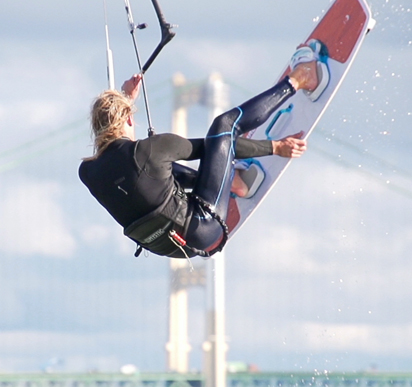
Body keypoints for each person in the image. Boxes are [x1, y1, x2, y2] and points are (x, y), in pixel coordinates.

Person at [79, 40, 329, 259]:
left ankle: (235, 183)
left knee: (154, 173)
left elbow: (125, 164)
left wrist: (124, 101)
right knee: (224, 125)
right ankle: (301, 78)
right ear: (129, 119)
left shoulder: (87, 172)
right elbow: (217, 144)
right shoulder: (151, 150)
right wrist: (274, 147)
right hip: (204, 228)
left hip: (174, 248)